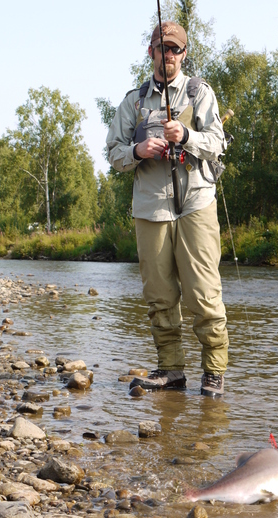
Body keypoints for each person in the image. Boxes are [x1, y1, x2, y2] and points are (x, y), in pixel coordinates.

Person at [106, 20, 229, 398]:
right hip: (150, 209)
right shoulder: (134, 101)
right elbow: (112, 153)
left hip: (195, 204)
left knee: (203, 294)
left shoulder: (200, 93)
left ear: (184, 53)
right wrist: (137, 151)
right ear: (151, 53)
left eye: (175, 49)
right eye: (162, 48)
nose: (168, 55)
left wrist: (187, 135)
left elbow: (218, 143)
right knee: (159, 296)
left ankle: (214, 372)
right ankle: (171, 370)